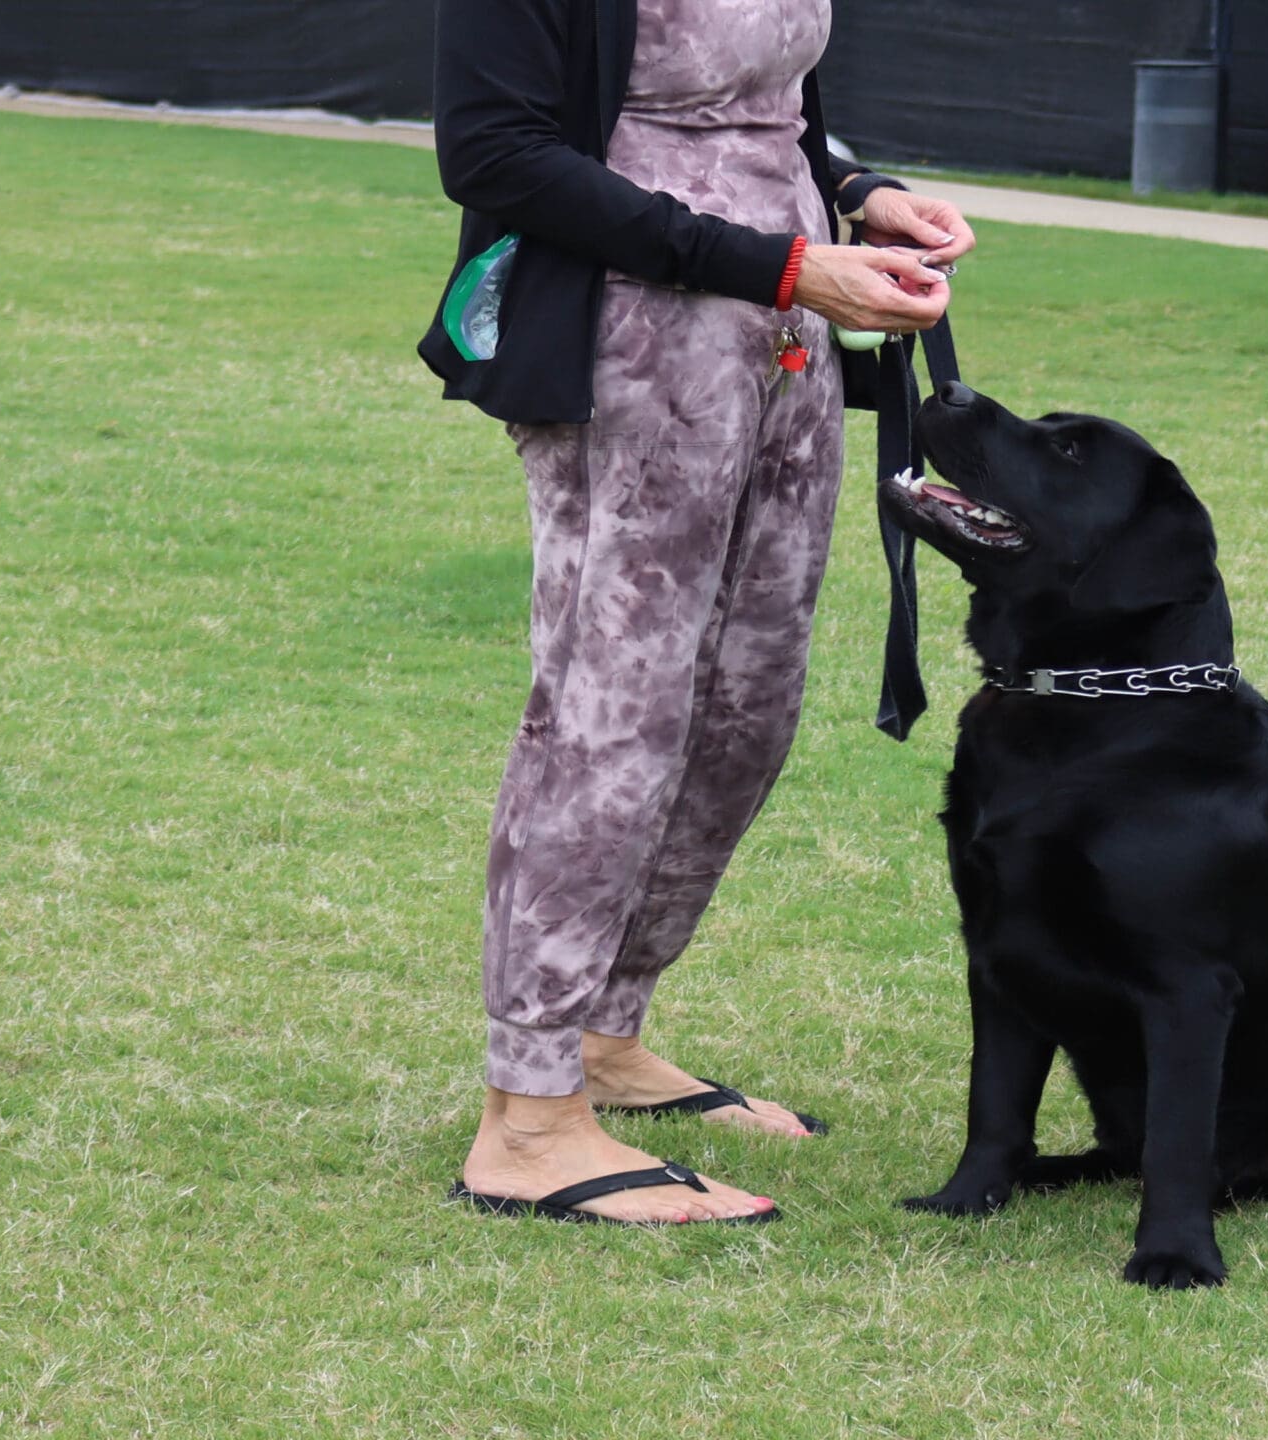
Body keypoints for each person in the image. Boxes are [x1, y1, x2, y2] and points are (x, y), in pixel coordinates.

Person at [418, 0, 976, 1225]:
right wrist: (780, 262)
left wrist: (853, 190)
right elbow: (496, 154)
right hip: (628, 342)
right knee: (612, 715)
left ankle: (607, 1035)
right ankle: (527, 1115)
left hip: (781, 345)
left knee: (744, 708)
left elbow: (761, 114)